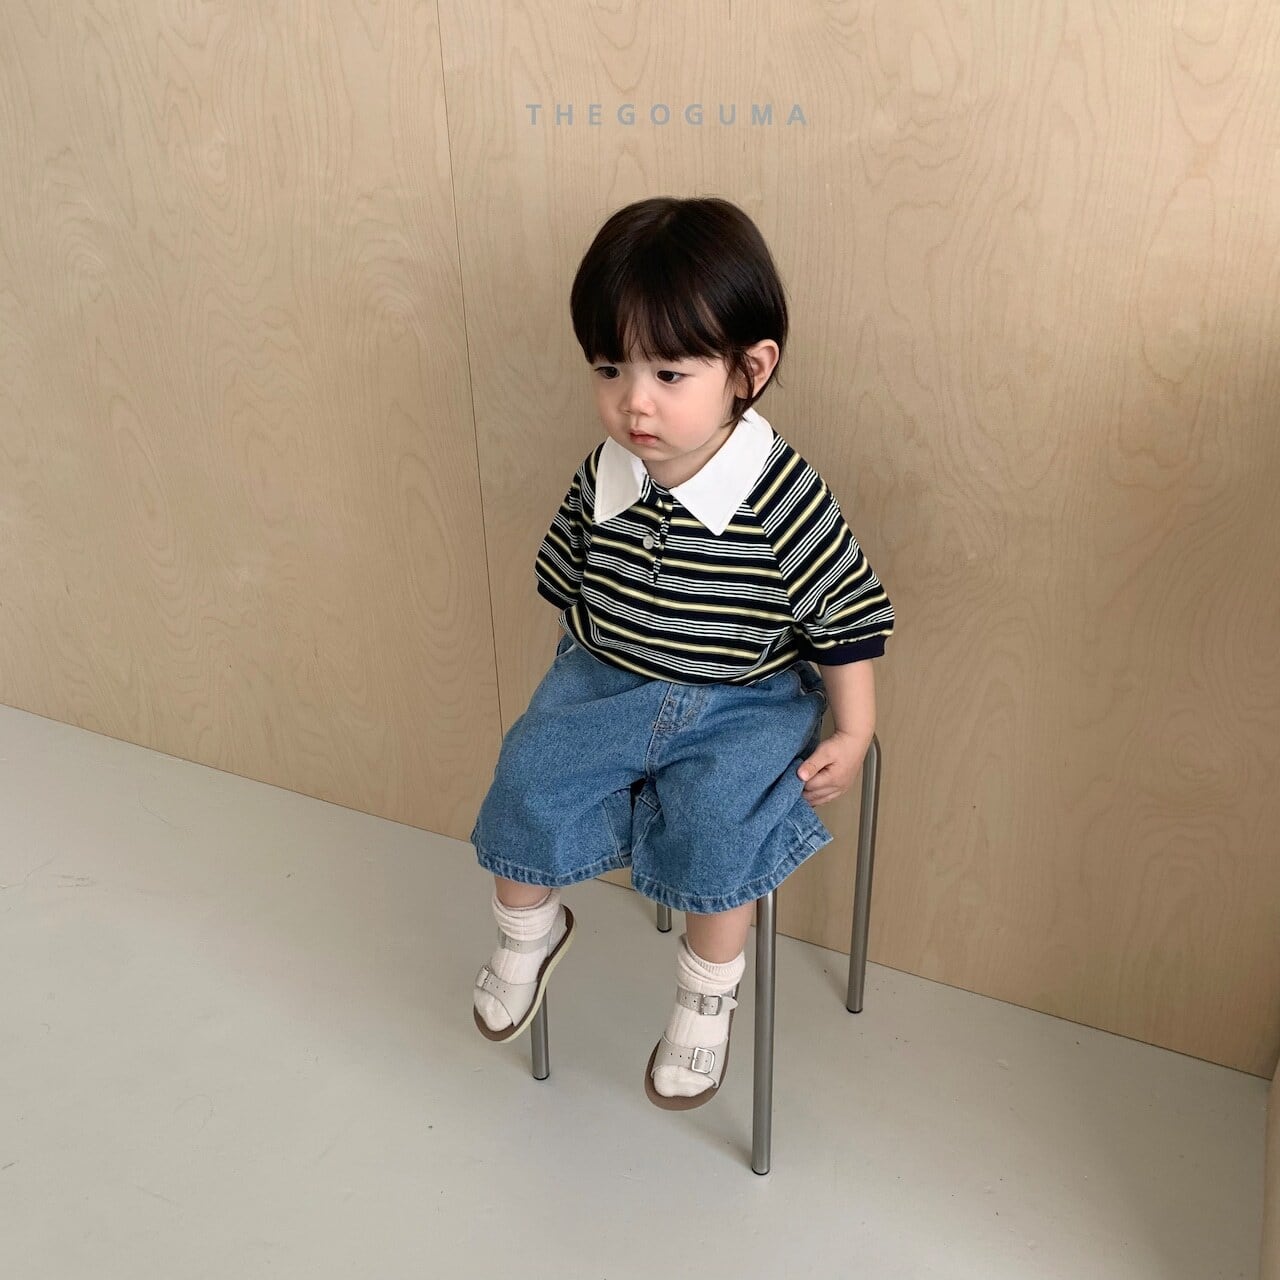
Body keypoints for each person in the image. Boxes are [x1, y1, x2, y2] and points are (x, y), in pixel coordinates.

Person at [470, 195, 894, 1109]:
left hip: (742, 700)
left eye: (669, 372)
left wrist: (854, 729)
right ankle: (527, 931)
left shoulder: (782, 496)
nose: (635, 401)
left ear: (749, 370)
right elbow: (569, 582)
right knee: (526, 773)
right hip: (607, 680)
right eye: (610, 368)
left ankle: (707, 997)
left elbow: (844, 615)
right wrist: (572, 689)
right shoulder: (604, 470)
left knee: (716, 823)